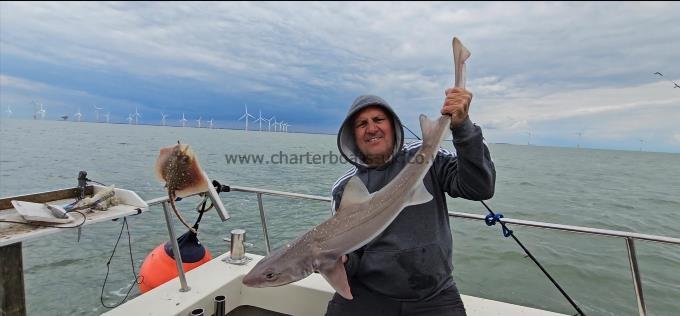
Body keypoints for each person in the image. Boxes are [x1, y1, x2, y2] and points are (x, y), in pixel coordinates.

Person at [325, 88, 496, 316]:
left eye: (378, 120)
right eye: (361, 124)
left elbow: (479, 188)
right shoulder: (345, 188)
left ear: (393, 126)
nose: (371, 128)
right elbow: (353, 256)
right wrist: (342, 262)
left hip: (434, 293)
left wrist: (462, 127)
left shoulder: (426, 157)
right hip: (369, 292)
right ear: (352, 135)